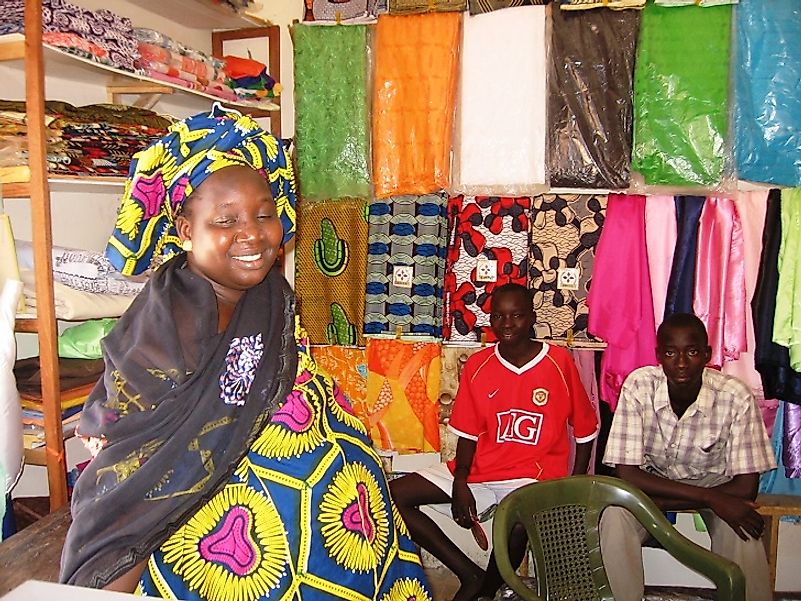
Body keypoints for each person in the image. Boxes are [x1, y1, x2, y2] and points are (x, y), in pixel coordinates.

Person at [59, 105, 432, 601]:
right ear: (186, 231)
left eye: (264, 214)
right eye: (226, 220)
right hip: (242, 564)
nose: (253, 234)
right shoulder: (170, 323)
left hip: (342, 534)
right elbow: (137, 465)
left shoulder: (266, 294)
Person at [390, 283, 599, 601]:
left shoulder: (559, 362)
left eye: (516, 315)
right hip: (481, 468)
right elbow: (468, 433)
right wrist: (461, 480)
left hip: (535, 477)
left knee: (516, 524)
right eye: (499, 316)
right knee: (392, 497)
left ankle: (485, 591)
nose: (507, 324)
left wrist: (574, 485)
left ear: (531, 318)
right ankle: (468, 574)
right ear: (490, 320)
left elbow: (585, 430)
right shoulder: (478, 364)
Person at [601, 312, 776, 601]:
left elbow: (746, 487)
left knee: (743, 527)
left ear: (707, 354)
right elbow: (628, 474)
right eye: (670, 353)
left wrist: (707, 497)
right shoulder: (638, 386)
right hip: (660, 484)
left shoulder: (735, 395)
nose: (681, 363)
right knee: (614, 516)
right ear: (658, 355)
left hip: (711, 484)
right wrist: (710, 498)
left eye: (692, 352)